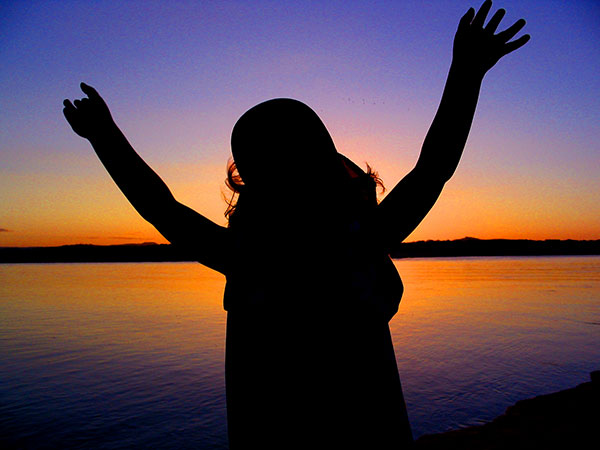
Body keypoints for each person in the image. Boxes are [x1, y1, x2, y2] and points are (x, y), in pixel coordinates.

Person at [63, 1, 528, 448]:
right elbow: (433, 168)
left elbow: (160, 208)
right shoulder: (358, 241)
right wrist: (465, 74)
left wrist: (106, 139)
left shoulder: (251, 258)